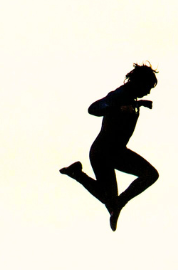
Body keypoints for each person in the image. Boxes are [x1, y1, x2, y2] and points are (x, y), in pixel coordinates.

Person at [60, 63, 159, 231]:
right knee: (142, 179)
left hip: (117, 152)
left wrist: (139, 104)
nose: (149, 91)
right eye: (148, 87)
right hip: (102, 152)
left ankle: (78, 174)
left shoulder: (130, 98)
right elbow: (94, 109)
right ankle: (112, 199)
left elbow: (128, 107)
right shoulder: (119, 94)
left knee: (147, 177)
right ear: (138, 83)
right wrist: (117, 107)